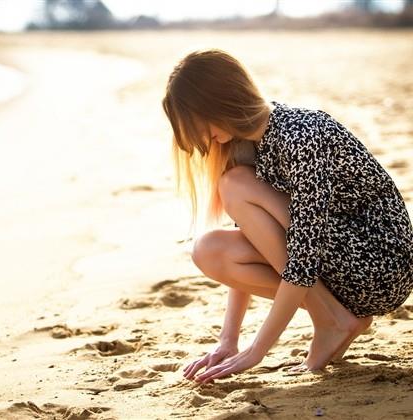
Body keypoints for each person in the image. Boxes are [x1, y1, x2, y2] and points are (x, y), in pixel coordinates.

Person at [161, 48, 413, 384]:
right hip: (336, 255)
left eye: (199, 126)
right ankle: (335, 317)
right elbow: (262, 239)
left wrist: (256, 350)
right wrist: (229, 339)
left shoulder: (299, 134)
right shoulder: (249, 143)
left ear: (220, 102)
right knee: (209, 250)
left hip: (379, 264)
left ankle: (331, 321)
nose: (204, 140)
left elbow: (305, 253)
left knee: (234, 184)